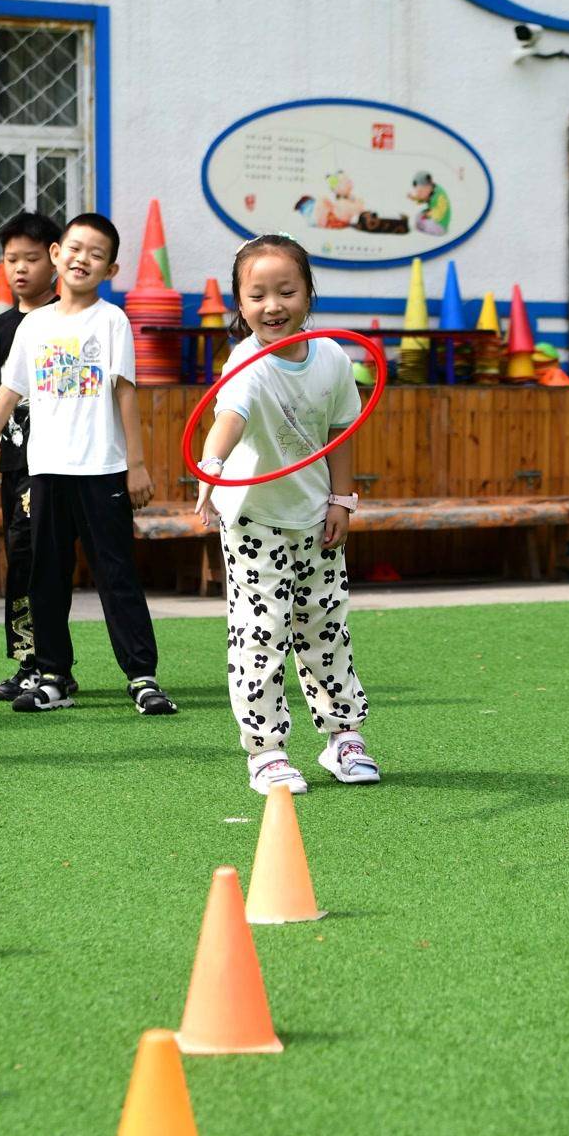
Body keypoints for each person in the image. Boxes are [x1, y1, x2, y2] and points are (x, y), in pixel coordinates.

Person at [0, 213, 178, 716]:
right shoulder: (32, 325)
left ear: (112, 269)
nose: (83, 258)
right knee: (47, 576)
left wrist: (137, 464)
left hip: (102, 469)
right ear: (58, 253)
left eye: (97, 254)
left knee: (116, 573)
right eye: (76, 248)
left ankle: (142, 676)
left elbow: (125, 394)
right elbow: (7, 391)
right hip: (45, 472)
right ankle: (53, 674)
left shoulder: (111, 321)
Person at [192, 234, 378, 794]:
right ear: (241, 304)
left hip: (315, 516)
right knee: (261, 631)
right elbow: (232, 415)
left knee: (326, 628)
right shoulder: (245, 361)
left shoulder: (332, 359)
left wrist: (342, 500)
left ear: (308, 294)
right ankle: (266, 750)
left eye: (286, 291)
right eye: (257, 295)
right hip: (255, 519)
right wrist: (210, 466)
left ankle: (343, 736)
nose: (272, 305)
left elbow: (341, 430)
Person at [0, 210, 62, 697]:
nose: (19, 268)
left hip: (67, 463)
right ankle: (29, 661)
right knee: (21, 557)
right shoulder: (2, 327)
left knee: (55, 561)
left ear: (56, 259)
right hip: (16, 464)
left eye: (30, 258)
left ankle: (56, 665)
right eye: (10, 259)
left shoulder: (72, 319)